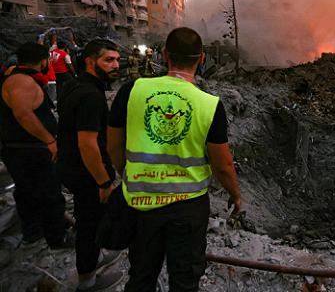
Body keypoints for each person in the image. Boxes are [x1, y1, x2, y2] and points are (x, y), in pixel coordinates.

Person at [107, 27, 242, 291]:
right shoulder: (209, 104)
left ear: (165, 55)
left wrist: (129, 173)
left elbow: (113, 146)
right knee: (184, 280)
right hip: (187, 209)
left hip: (140, 202)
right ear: (202, 58)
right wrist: (235, 194)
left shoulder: (131, 90)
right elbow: (222, 165)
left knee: (141, 275)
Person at [57, 39, 124, 291]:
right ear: (89, 61)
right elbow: (88, 144)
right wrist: (104, 181)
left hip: (71, 167)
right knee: (89, 224)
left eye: (117, 59)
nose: (115, 65)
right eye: (108, 60)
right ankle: (87, 279)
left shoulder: (74, 86)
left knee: (91, 220)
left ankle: (95, 258)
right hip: (86, 173)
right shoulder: (90, 97)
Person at [0, 43, 71, 249]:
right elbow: (23, 113)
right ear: (43, 61)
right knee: (48, 192)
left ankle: (34, 231)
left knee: (28, 191)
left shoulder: (18, 78)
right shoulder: (21, 81)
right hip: (29, 149)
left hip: (23, 149)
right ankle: (57, 237)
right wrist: (49, 140)